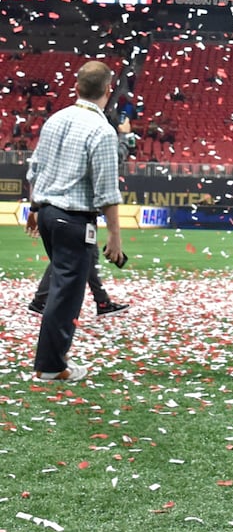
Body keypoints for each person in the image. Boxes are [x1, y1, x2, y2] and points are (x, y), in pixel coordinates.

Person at [26, 60, 126, 382]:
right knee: (66, 294)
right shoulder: (102, 130)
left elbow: (35, 168)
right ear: (108, 91)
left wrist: (33, 206)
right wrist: (115, 236)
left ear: (77, 87)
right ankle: (52, 366)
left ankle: (51, 361)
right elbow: (107, 191)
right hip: (73, 218)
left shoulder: (56, 119)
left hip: (47, 213)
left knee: (60, 288)